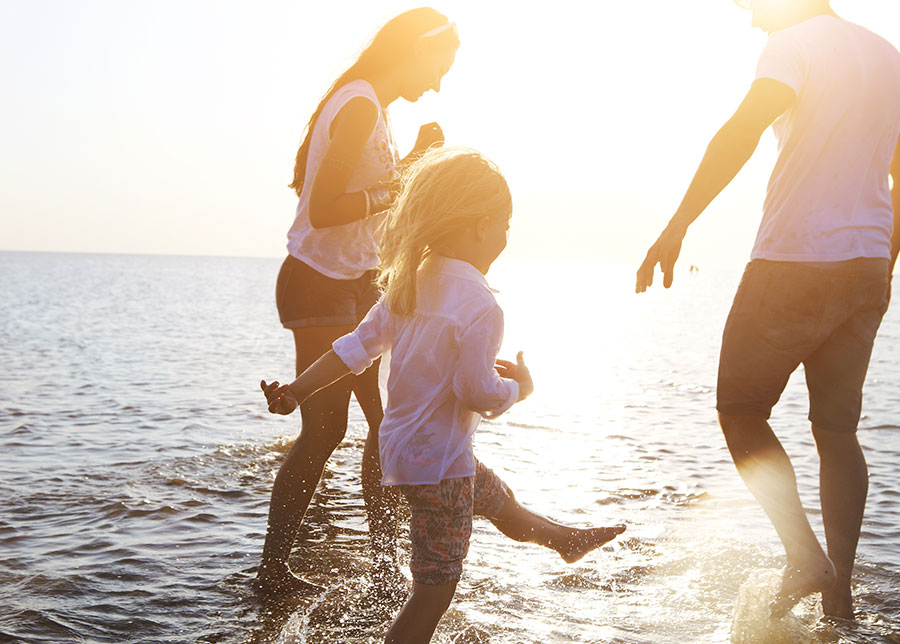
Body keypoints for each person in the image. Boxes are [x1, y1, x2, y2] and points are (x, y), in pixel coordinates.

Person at [263, 147, 626, 643]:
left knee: (499, 502)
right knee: (434, 590)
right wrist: (520, 387)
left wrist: (296, 391)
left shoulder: (407, 285)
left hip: (405, 454)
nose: (505, 236)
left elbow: (353, 351)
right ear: (480, 225)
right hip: (441, 467)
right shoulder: (480, 305)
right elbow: (476, 393)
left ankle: (564, 540)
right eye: (505, 225)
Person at [636, 0, 900, 620]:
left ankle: (805, 557)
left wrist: (676, 226)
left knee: (741, 411)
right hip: (866, 266)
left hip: (793, 260)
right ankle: (839, 598)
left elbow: (742, 130)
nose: (745, 11)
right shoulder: (888, 55)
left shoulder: (794, 45)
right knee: (837, 433)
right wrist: (883, 257)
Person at [260, 8, 461, 594]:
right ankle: (272, 573)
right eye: (439, 67)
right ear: (413, 51)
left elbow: (358, 195)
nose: (438, 84)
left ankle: (383, 566)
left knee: (384, 422)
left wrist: (410, 163)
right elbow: (323, 208)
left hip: (355, 280)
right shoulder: (359, 104)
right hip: (318, 279)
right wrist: (401, 180)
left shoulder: (371, 106)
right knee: (325, 431)